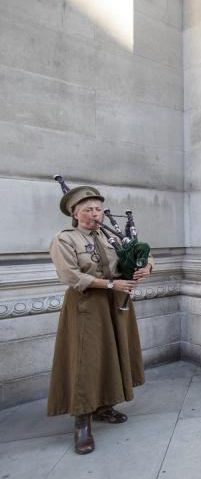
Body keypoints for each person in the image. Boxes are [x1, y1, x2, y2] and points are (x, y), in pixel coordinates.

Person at [48, 185, 153, 455]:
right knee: (86, 360)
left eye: (97, 209)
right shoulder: (65, 239)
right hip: (86, 305)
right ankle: (82, 420)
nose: (95, 214)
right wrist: (110, 285)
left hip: (115, 304)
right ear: (74, 214)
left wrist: (145, 268)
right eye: (88, 210)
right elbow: (71, 275)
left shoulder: (111, 236)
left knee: (111, 354)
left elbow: (140, 252)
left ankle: (103, 406)